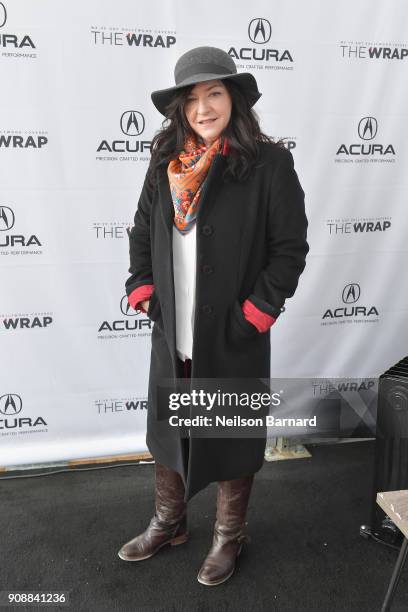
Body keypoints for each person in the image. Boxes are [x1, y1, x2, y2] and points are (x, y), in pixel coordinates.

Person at [118, 46, 309, 586]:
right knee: (169, 428)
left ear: (234, 100)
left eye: (214, 94)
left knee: (229, 434)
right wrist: (143, 289)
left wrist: (255, 314)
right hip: (172, 329)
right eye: (192, 99)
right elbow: (140, 232)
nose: (203, 108)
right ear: (180, 109)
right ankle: (169, 521)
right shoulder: (163, 164)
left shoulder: (269, 163)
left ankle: (229, 536)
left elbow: (288, 249)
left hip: (231, 332)